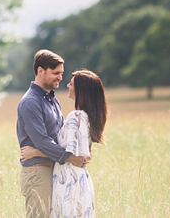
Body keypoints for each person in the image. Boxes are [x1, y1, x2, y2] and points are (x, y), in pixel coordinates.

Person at [21, 68, 108, 218]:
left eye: (72, 84)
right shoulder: (90, 117)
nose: (67, 85)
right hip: (81, 178)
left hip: (68, 178)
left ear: (81, 90)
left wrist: (34, 152)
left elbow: (69, 152)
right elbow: (83, 151)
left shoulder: (76, 116)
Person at [17, 50, 90, 218]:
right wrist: (70, 157)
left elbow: (60, 137)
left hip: (56, 170)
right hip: (38, 172)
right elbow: (42, 141)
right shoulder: (31, 102)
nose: (60, 78)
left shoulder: (51, 100)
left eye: (61, 73)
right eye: (56, 73)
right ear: (41, 71)